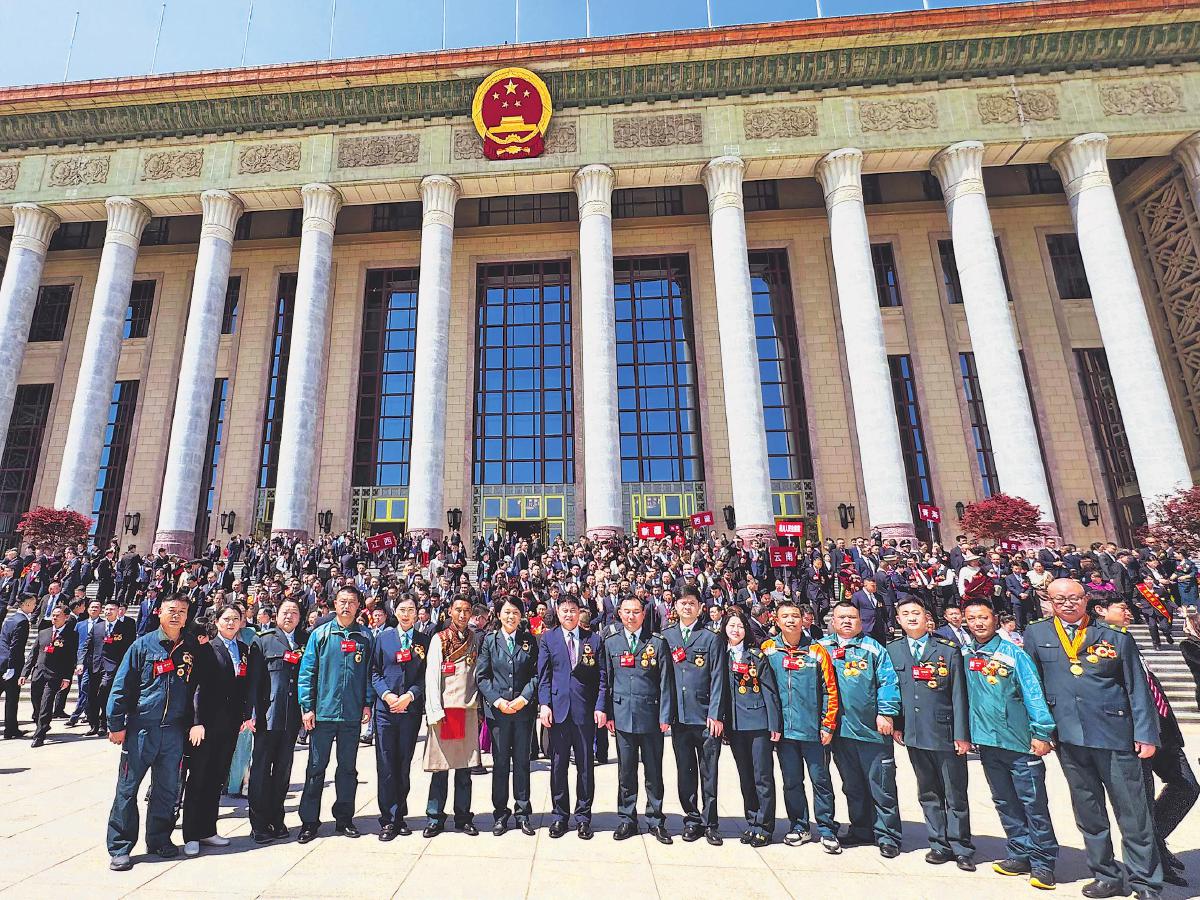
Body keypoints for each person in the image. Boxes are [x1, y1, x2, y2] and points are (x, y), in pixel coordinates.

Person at [1024, 578, 1163, 900]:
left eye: (1074, 598)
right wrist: (1040, 731)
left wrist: (1145, 733)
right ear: (1049, 602)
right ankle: (1106, 875)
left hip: (1114, 734)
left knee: (1134, 813)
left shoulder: (1114, 636)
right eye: (1060, 599)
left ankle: (1145, 882)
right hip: (1068, 736)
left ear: (1086, 599)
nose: (1068, 604)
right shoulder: (1037, 634)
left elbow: (1137, 689)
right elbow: (1033, 686)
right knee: (1088, 812)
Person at [1095, 597, 1197, 889]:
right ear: (1101, 611)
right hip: (1134, 734)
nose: (1128, 612)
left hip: (1162, 728)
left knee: (1187, 786)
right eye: (1121, 608)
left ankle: (1156, 842)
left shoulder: (1128, 640)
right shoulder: (1097, 645)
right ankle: (1152, 861)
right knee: (1144, 800)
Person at [960, 598, 1059, 889]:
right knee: (1004, 801)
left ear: (995, 619)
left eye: (983, 617)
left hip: (1019, 742)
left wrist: (1042, 732)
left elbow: (1033, 693)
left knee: (1033, 804)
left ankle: (1043, 862)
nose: (978, 623)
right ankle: (1019, 852)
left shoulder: (1014, 654)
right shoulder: (965, 654)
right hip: (987, 743)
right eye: (972, 618)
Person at [105, 595, 200, 871]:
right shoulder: (142, 645)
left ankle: (159, 839)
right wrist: (116, 724)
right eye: (172, 610)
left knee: (167, 789)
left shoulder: (190, 648)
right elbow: (121, 686)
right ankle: (120, 847)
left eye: (182, 611)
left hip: (173, 731)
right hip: (142, 730)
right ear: (160, 613)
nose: (176, 615)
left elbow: (196, 689)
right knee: (127, 789)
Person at [887, 596, 974, 870]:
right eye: (905, 614)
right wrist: (897, 724)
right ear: (898, 620)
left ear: (927, 618)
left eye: (916, 613)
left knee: (955, 792)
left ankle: (961, 846)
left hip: (945, 732)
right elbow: (893, 691)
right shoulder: (893, 650)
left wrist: (962, 734)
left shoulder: (947, 650)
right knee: (928, 791)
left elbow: (959, 694)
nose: (912, 618)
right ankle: (939, 843)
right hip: (913, 732)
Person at [819, 600, 902, 857]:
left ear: (860, 621)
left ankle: (888, 835)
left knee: (881, 785)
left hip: (871, 731)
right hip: (839, 731)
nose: (847, 621)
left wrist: (886, 713)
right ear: (833, 621)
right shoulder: (822, 648)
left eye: (852, 617)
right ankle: (861, 827)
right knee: (852, 785)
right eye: (841, 617)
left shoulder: (873, 649)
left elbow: (888, 682)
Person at [762, 598, 841, 853]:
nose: (790, 620)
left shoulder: (817, 651)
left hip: (813, 731)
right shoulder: (768, 650)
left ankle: (827, 828)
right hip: (784, 731)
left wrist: (827, 725)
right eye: (785, 616)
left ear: (803, 620)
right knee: (791, 781)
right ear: (776, 620)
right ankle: (799, 826)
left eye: (795, 616)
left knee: (821, 780)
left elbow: (830, 690)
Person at [297, 585, 373, 843]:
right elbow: (307, 672)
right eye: (342, 601)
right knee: (316, 768)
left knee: (348, 770)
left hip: (351, 714)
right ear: (334, 604)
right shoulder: (320, 634)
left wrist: (367, 703)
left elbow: (369, 674)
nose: (346, 606)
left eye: (351, 602)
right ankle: (309, 822)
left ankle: (344, 818)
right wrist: (307, 707)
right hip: (323, 714)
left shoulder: (365, 636)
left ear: (358, 606)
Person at [603, 595, 674, 843]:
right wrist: (609, 713)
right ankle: (627, 819)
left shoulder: (657, 642)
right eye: (627, 612)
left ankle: (655, 819)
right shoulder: (611, 642)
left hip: (651, 717)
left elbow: (665, 681)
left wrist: (665, 715)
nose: (631, 616)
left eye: (636, 612)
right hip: (622, 716)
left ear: (643, 614)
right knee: (626, 771)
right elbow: (607, 681)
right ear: (619, 614)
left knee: (654, 771)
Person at [182, 604, 251, 856]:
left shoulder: (243, 650)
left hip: (230, 725)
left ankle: (208, 830)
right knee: (198, 778)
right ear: (217, 622)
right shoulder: (207, 649)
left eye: (235, 618)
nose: (231, 623)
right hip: (206, 725)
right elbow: (196, 688)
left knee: (216, 779)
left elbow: (242, 687)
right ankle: (191, 834)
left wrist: (244, 717)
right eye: (226, 619)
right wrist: (196, 721)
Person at [537, 594, 607, 839]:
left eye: (573, 610)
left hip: (584, 712)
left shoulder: (593, 640)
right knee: (558, 765)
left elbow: (602, 677)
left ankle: (583, 817)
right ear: (557, 612)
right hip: (557, 712)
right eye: (564, 610)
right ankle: (559, 816)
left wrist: (600, 706)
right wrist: (544, 705)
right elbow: (544, 676)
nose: (569, 614)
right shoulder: (548, 639)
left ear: (580, 612)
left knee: (586, 765)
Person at [662, 585, 725, 845]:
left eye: (692, 603)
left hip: (706, 716)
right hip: (679, 716)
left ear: (700, 608)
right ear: (675, 606)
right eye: (683, 603)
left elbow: (718, 677)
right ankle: (692, 819)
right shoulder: (666, 636)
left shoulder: (711, 637)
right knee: (685, 771)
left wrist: (716, 713)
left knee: (709, 772)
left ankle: (711, 823)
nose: (687, 607)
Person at [245, 597, 306, 843]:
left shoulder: (305, 641)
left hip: (292, 717)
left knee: (282, 771)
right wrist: (251, 714)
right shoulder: (263, 640)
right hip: (267, 716)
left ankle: (276, 819)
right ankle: (258, 824)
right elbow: (253, 681)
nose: (289, 616)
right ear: (276, 615)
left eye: (294, 612)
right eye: (285, 612)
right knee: (261, 771)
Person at [369, 594, 429, 841]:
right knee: (386, 764)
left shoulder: (424, 640)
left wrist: (410, 696)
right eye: (402, 609)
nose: (406, 614)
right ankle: (387, 820)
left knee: (403, 764)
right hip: (386, 710)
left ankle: (400, 815)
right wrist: (387, 695)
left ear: (417, 613)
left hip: (410, 711)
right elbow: (374, 672)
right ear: (395, 612)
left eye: (411, 609)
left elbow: (425, 676)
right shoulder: (383, 638)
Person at [477, 596, 539, 836]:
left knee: (522, 762)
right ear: (498, 614)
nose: (511, 616)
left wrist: (524, 698)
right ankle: (500, 813)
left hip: (523, 712)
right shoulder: (489, 641)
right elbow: (482, 676)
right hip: (499, 713)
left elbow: (536, 674)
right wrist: (498, 701)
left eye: (515, 612)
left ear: (521, 615)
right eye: (507, 612)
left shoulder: (529, 640)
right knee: (501, 763)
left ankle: (523, 813)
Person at [422, 594, 483, 836]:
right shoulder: (439, 639)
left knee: (464, 768)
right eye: (458, 609)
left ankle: (463, 816)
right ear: (450, 611)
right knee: (441, 767)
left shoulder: (474, 639)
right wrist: (434, 709)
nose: (462, 614)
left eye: (467, 610)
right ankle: (435, 817)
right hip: (446, 711)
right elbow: (432, 676)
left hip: (467, 709)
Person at [721, 607, 782, 847]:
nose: (735, 630)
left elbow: (769, 691)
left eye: (740, 626)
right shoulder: (721, 655)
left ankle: (765, 826)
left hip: (758, 723)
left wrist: (774, 723)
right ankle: (752, 821)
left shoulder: (756, 656)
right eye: (731, 625)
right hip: (735, 725)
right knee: (745, 776)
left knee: (762, 776)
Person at [21, 603, 77, 746]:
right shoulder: (43, 632)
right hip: (38, 673)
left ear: (66, 617)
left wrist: (67, 677)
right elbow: (33, 654)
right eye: (53, 615)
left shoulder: (71, 635)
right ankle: (43, 724)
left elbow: (71, 659)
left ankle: (39, 735)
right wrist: (24, 673)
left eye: (58, 615)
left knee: (46, 703)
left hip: (55, 675)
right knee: (36, 701)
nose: (54, 618)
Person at [80, 599, 137, 736]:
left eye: (111, 609)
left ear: (118, 611)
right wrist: (81, 662)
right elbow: (87, 645)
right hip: (95, 665)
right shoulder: (98, 626)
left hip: (113, 666)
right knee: (92, 695)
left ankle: (103, 723)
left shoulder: (124, 627)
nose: (108, 611)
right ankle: (93, 724)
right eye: (106, 609)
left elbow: (129, 648)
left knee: (104, 691)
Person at [0, 594, 37, 739]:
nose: (35, 606)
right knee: (12, 698)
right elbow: (16, 646)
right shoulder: (22, 621)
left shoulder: (10, 619)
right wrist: (11, 667)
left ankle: (11, 728)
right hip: (12, 665)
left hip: (2, 661)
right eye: (33, 604)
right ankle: (11, 729)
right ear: (26, 604)